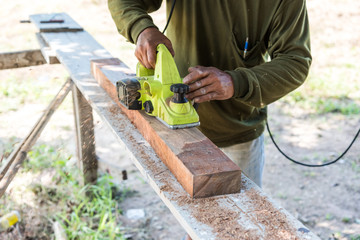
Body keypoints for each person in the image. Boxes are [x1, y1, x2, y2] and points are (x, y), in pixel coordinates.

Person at [108, 0, 311, 238]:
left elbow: (296, 60)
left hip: (236, 132)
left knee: (237, 229)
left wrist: (235, 82)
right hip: (175, 129)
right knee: (195, 224)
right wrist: (141, 28)